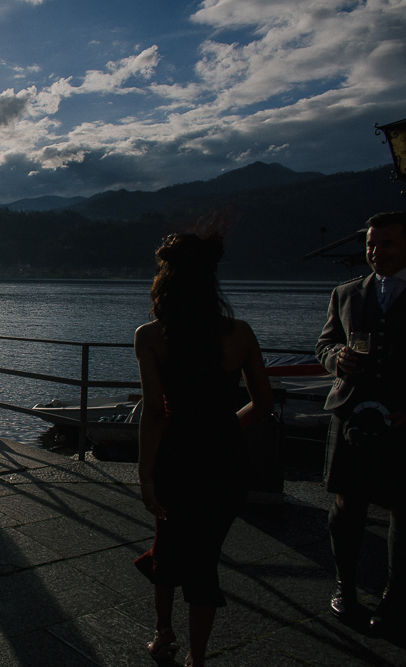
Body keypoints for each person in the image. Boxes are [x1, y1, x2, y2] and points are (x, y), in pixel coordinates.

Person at [133, 232, 272, 667]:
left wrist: (145, 474)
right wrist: (223, 427)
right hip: (226, 460)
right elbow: (264, 405)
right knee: (204, 557)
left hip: (177, 457)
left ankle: (163, 633)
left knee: (168, 544)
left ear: (165, 281)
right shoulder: (241, 334)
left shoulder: (152, 336)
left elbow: (154, 412)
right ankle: (198, 656)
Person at [316, 210, 406, 633]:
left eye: (386, 243)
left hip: (403, 421)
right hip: (352, 413)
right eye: (371, 243)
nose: (375, 251)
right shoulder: (346, 293)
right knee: (345, 507)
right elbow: (325, 344)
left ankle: (395, 596)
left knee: (401, 509)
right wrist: (338, 358)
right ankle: (345, 587)